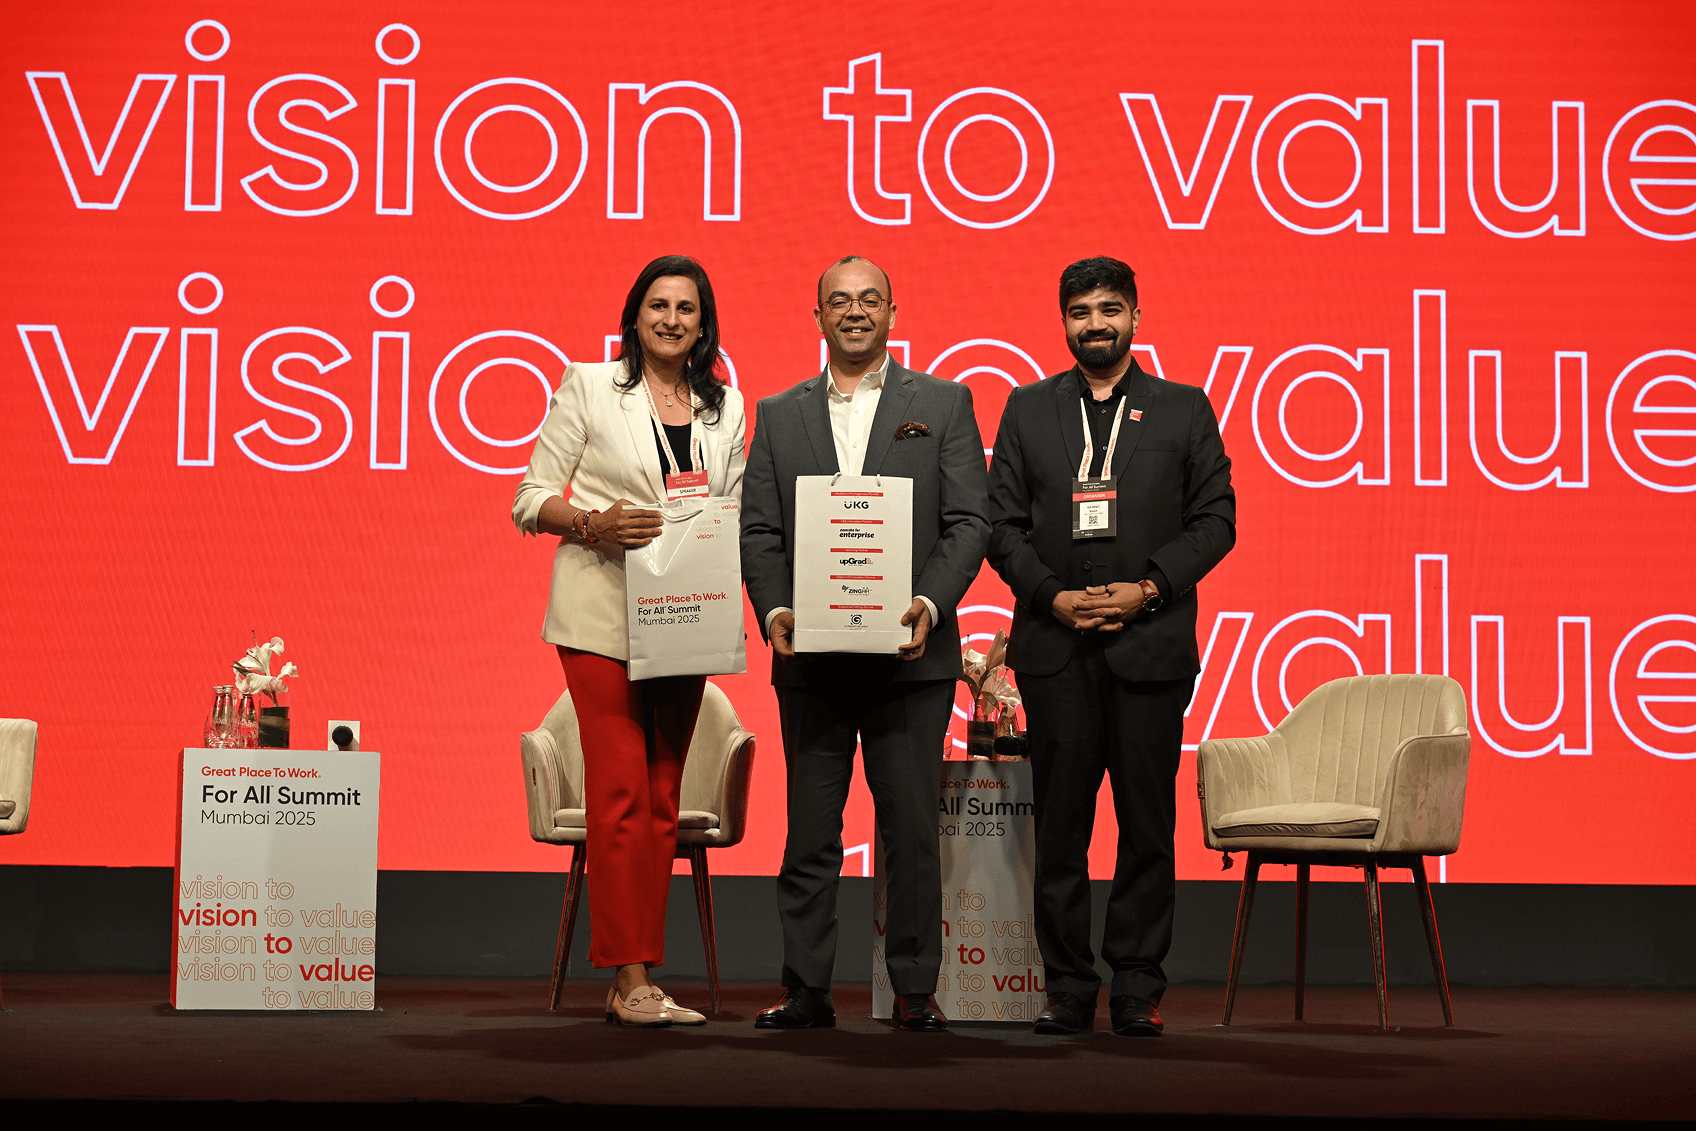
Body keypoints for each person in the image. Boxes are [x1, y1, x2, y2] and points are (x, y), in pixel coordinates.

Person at [986, 256, 1235, 1037]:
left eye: (1109, 309)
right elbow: (1000, 525)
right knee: (1060, 827)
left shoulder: (1183, 408)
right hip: (1055, 647)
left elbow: (1217, 520)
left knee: (1147, 826)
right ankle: (1067, 985)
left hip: (1149, 645)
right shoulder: (1027, 409)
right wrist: (1050, 595)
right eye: (1081, 311)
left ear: (1135, 316)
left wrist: (1150, 588)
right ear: (1063, 322)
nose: (1096, 323)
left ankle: (1135, 985)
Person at [740, 255, 989, 1032]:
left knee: (911, 832)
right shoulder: (778, 413)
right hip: (811, 661)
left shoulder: (944, 402)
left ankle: (915, 989)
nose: (855, 311)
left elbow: (968, 522)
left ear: (892, 313)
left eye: (870, 299)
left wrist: (928, 604)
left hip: (911, 661)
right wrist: (776, 609)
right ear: (817, 316)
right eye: (840, 300)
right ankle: (807, 988)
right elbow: (760, 530)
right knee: (811, 835)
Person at [512, 254, 745, 1027]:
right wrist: (592, 522)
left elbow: (731, 508)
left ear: (703, 324)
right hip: (600, 616)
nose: (671, 319)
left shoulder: (726, 408)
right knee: (618, 794)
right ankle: (629, 975)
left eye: (686, 308)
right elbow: (529, 498)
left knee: (661, 801)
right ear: (635, 316)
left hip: (685, 616)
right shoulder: (589, 386)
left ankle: (641, 976)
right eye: (658, 305)